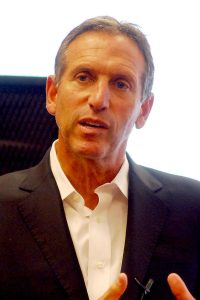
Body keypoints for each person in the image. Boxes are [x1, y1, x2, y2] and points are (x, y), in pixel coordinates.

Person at [0, 16, 200, 300]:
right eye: (84, 77)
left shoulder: (192, 210)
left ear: (144, 109)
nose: (99, 100)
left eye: (120, 84)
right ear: (53, 94)